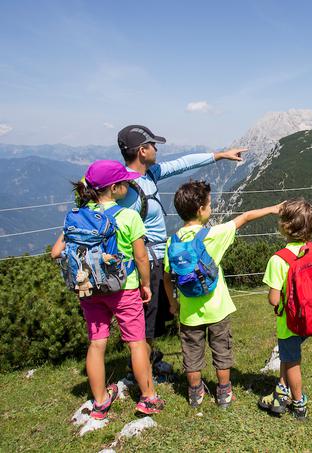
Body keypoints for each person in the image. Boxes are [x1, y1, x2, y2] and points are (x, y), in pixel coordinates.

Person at [116, 125, 246, 372]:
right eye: (153, 145)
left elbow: (182, 164)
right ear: (142, 151)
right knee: (147, 321)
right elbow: (99, 203)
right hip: (144, 258)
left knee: (153, 320)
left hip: (156, 256)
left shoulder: (149, 174)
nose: (156, 149)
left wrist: (219, 155)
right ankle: (142, 374)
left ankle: (148, 364)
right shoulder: (123, 186)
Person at [51, 160, 164, 419]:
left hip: (89, 289)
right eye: (124, 182)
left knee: (97, 343)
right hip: (123, 288)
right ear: (114, 189)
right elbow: (141, 258)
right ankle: (148, 398)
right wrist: (146, 284)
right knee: (136, 342)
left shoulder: (78, 215)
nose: (128, 184)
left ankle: (100, 401)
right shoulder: (128, 217)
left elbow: (56, 252)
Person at [162, 180, 281, 409]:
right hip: (218, 309)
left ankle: (195, 393)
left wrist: (173, 303)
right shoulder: (213, 235)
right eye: (209, 204)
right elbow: (244, 218)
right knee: (222, 349)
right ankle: (224, 392)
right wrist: (273, 209)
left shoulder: (172, 242)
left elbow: (167, 278)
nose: (211, 207)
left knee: (192, 353)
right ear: (201, 210)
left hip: (189, 313)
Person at [258, 198, 312, 420]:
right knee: (287, 354)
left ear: (284, 227)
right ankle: (280, 393)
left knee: (292, 361)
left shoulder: (278, 259)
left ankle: (298, 402)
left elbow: (274, 300)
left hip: (289, 323)